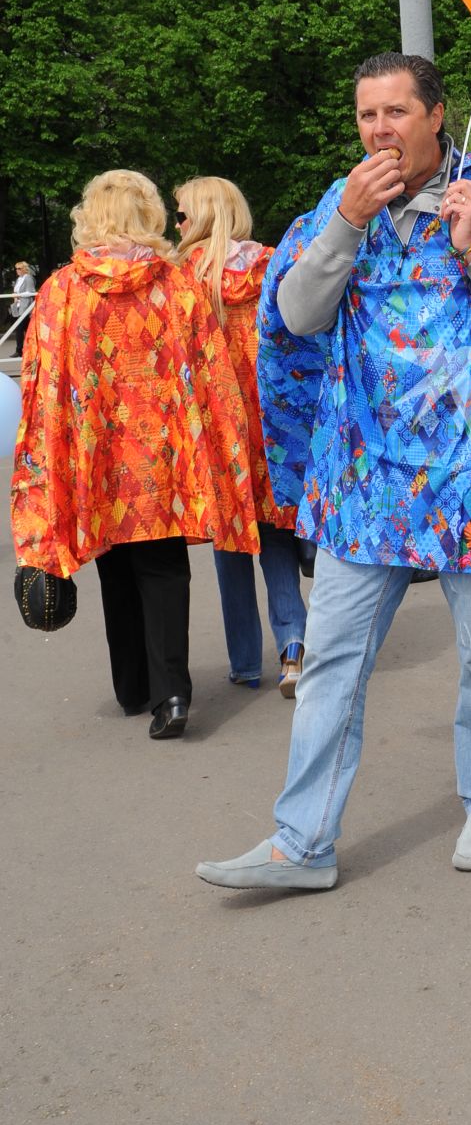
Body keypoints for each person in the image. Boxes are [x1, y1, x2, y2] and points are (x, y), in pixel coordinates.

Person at [195, 52, 471, 892]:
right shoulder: (342, 201)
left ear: (435, 115)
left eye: (394, 113)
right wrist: (344, 227)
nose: (378, 130)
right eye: (365, 116)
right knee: (330, 660)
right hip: (364, 477)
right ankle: (302, 843)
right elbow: (292, 318)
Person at [10, 170, 257, 738]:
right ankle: (173, 694)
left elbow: (41, 388)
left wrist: (47, 471)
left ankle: (133, 687)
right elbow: (213, 373)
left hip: (98, 464)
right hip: (165, 464)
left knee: (115, 570)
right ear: (146, 216)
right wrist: (225, 448)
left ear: (90, 216)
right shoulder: (177, 285)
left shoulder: (61, 291)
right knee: (165, 570)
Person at [176, 177, 308, 697]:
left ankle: (244, 662)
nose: (176, 224)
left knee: (229, 544)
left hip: (217, 426)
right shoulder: (274, 263)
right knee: (275, 538)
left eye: (183, 215)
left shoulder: (187, 276)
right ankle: (293, 648)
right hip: (272, 423)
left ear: (204, 217)